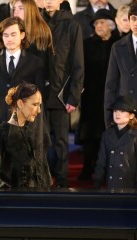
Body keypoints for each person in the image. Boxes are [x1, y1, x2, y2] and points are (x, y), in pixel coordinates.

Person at [0, 17, 45, 149]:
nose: (9, 39)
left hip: (26, 127)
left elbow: (40, 102)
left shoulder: (35, 63)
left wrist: (37, 131)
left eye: (13, 34)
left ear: (22, 35)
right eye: (6, 35)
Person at [41, 0, 84, 188]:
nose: (49, 1)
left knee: (60, 141)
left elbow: (78, 63)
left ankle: (62, 181)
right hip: (38, 94)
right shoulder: (37, 23)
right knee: (39, 140)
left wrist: (74, 96)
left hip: (61, 92)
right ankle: (41, 177)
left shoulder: (72, 25)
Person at [0, 81, 52, 190]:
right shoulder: (1, 133)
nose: (39, 110)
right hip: (12, 201)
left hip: (37, 199)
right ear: (20, 104)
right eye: (35, 104)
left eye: (39, 105)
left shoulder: (33, 133)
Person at [77, 9, 118, 180]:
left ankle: (109, 168)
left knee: (109, 132)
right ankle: (88, 167)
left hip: (112, 96)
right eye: (96, 24)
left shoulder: (118, 43)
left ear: (110, 25)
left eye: (102, 22)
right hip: (91, 96)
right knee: (89, 134)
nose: (98, 26)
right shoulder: (86, 44)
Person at [104, 1, 137, 128]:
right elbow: (111, 85)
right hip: (125, 112)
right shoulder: (118, 47)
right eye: (133, 19)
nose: (136, 23)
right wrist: (109, 121)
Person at [93, 95, 137, 189]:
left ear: (131, 115)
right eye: (115, 111)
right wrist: (97, 181)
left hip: (130, 185)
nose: (117, 114)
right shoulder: (107, 135)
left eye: (122, 111)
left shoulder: (135, 136)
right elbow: (101, 160)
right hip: (112, 183)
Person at [12, 0, 53, 65]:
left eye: (20, 8)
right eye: (14, 9)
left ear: (30, 10)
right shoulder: (14, 31)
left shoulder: (41, 32)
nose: (16, 12)